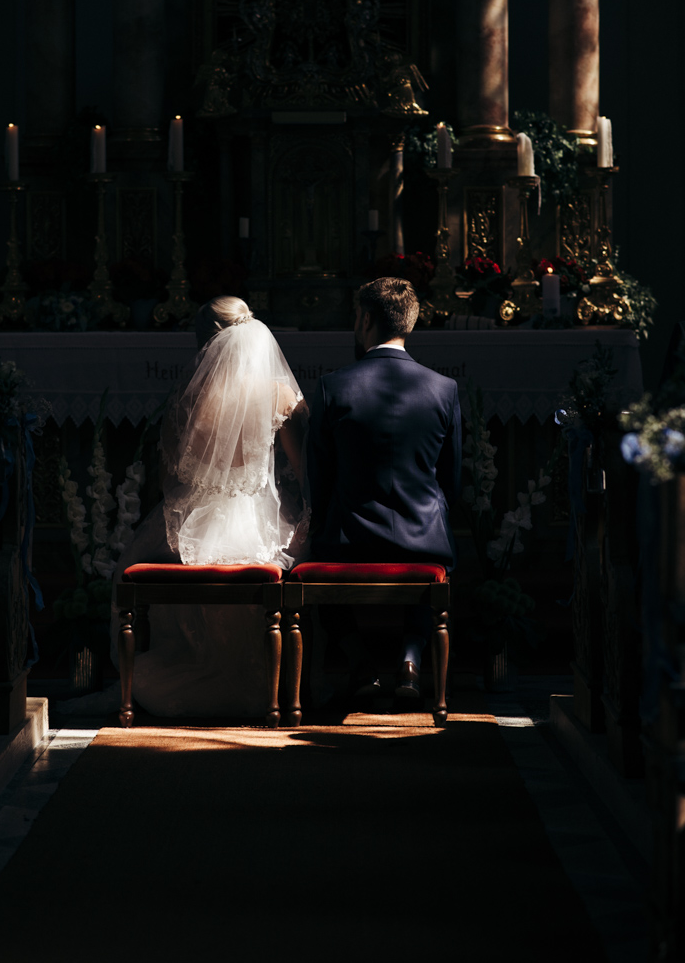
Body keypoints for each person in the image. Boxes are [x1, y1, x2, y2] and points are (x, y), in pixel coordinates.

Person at [110, 296, 309, 718]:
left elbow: (169, 480)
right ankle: (282, 687)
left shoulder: (187, 396)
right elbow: (303, 471)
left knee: (130, 564)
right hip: (259, 524)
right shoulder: (279, 393)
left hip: (192, 523)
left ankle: (156, 672)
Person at [307, 276, 461, 703]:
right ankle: (410, 660)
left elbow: (319, 478)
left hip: (349, 539)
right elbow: (451, 479)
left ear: (367, 319)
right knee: (435, 561)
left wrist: (322, 525)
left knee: (312, 562)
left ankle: (361, 664)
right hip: (424, 538)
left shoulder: (332, 386)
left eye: (357, 317)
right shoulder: (444, 389)